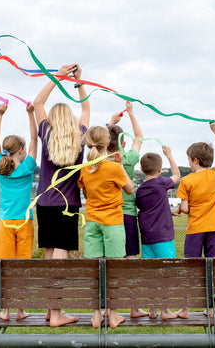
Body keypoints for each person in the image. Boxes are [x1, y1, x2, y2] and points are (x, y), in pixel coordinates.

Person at [33, 64, 90, 327]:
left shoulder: (46, 134)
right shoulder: (79, 137)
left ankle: (50, 310)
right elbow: (86, 109)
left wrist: (58, 77)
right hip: (67, 208)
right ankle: (56, 314)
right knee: (60, 260)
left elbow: (37, 102)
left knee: (48, 257)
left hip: (44, 205)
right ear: (70, 120)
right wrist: (77, 81)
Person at [78, 126, 133, 329]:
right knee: (114, 271)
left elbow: (85, 193)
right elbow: (129, 189)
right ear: (108, 144)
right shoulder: (113, 168)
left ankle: (95, 315)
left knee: (95, 270)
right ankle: (113, 315)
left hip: (92, 222)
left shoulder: (85, 168)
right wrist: (121, 167)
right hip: (113, 223)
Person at [174, 121, 215, 319]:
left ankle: (185, 308)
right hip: (214, 228)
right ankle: (210, 308)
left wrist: (180, 210)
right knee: (211, 268)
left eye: (189, 160)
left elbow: (184, 208)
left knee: (190, 268)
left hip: (195, 230)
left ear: (195, 160)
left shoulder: (187, 181)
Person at [0, 101, 37, 321]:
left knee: (4, 267)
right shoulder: (28, 167)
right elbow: (35, 137)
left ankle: (6, 311)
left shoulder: (0, 166)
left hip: (5, 223)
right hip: (25, 222)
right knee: (21, 267)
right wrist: (31, 113)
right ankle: (20, 311)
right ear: (22, 150)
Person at [106, 101, 148, 318]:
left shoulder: (100, 157)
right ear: (123, 141)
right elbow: (139, 136)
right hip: (128, 215)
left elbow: (98, 140)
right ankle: (133, 307)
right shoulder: (128, 159)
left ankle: (106, 309)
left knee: (109, 264)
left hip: (107, 217)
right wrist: (131, 114)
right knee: (131, 262)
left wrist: (110, 123)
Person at [135, 146, 180, 319]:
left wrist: (168, 211)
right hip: (163, 238)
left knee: (151, 275)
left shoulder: (140, 191)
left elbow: (149, 209)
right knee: (167, 274)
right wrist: (170, 155)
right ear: (160, 170)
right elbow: (176, 176)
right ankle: (165, 310)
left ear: (141, 169)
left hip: (147, 240)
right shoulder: (161, 183)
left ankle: (153, 309)